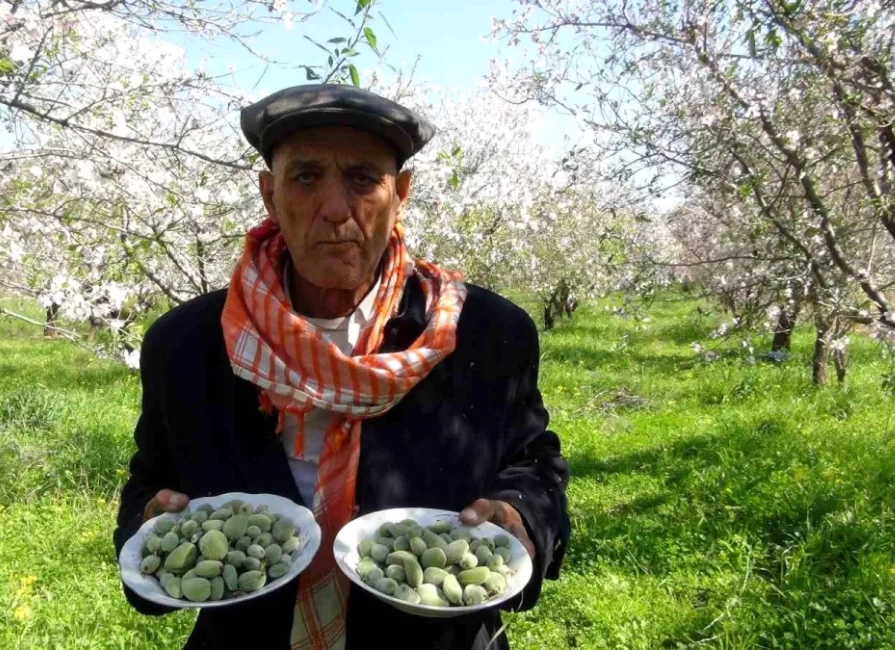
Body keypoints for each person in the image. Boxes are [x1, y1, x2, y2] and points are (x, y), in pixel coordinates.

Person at [113, 84, 571, 650]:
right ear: (269, 194)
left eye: (362, 179)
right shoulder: (187, 344)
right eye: (305, 177)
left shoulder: (484, 336)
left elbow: (532, 462)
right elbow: (151, 479)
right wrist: (148, 527)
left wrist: (524, 516)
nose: (334, 209)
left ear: (399, 193)